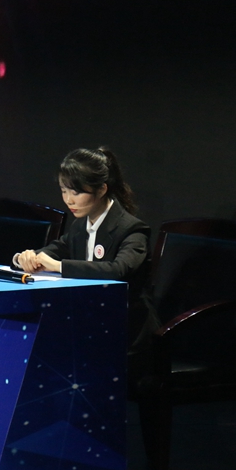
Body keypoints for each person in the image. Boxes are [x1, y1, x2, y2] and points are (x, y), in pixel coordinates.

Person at [14, 147, 154, 347]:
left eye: (76, 192)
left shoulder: (132, 229)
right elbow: (57, 248)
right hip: (87, 322)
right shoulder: (80, 226)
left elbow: (118, 270)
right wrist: (26, 257)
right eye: (64, 191)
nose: (68, 200)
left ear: (102, 189)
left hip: (125, 330)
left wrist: (58, 266)